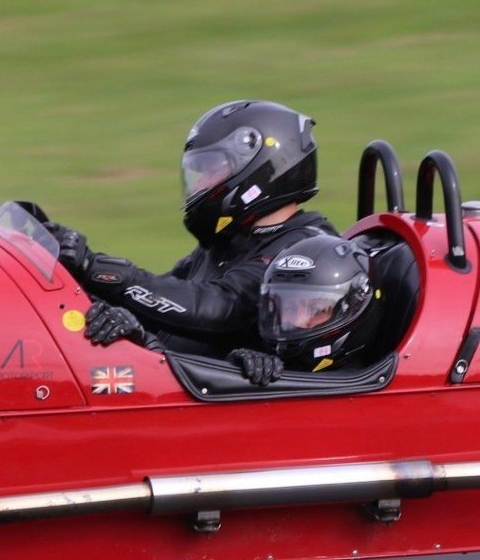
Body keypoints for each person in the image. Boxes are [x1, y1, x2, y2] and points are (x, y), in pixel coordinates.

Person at [49, 101, 336, 358]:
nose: (200, 185)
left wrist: (100, 269)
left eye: (212, 170)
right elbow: (164, 296)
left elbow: (223, 308)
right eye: (198, 173)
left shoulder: (305, 249)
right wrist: (112, 306)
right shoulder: (228, 241)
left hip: (224, 400)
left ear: (263, 169)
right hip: (172, 382)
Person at [229, 235, 387, 386]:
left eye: (316, 310)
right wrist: (234, 368)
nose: (297, 321)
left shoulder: (356, 387)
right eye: (289, 308)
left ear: (354, 309)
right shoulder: (270, 360)